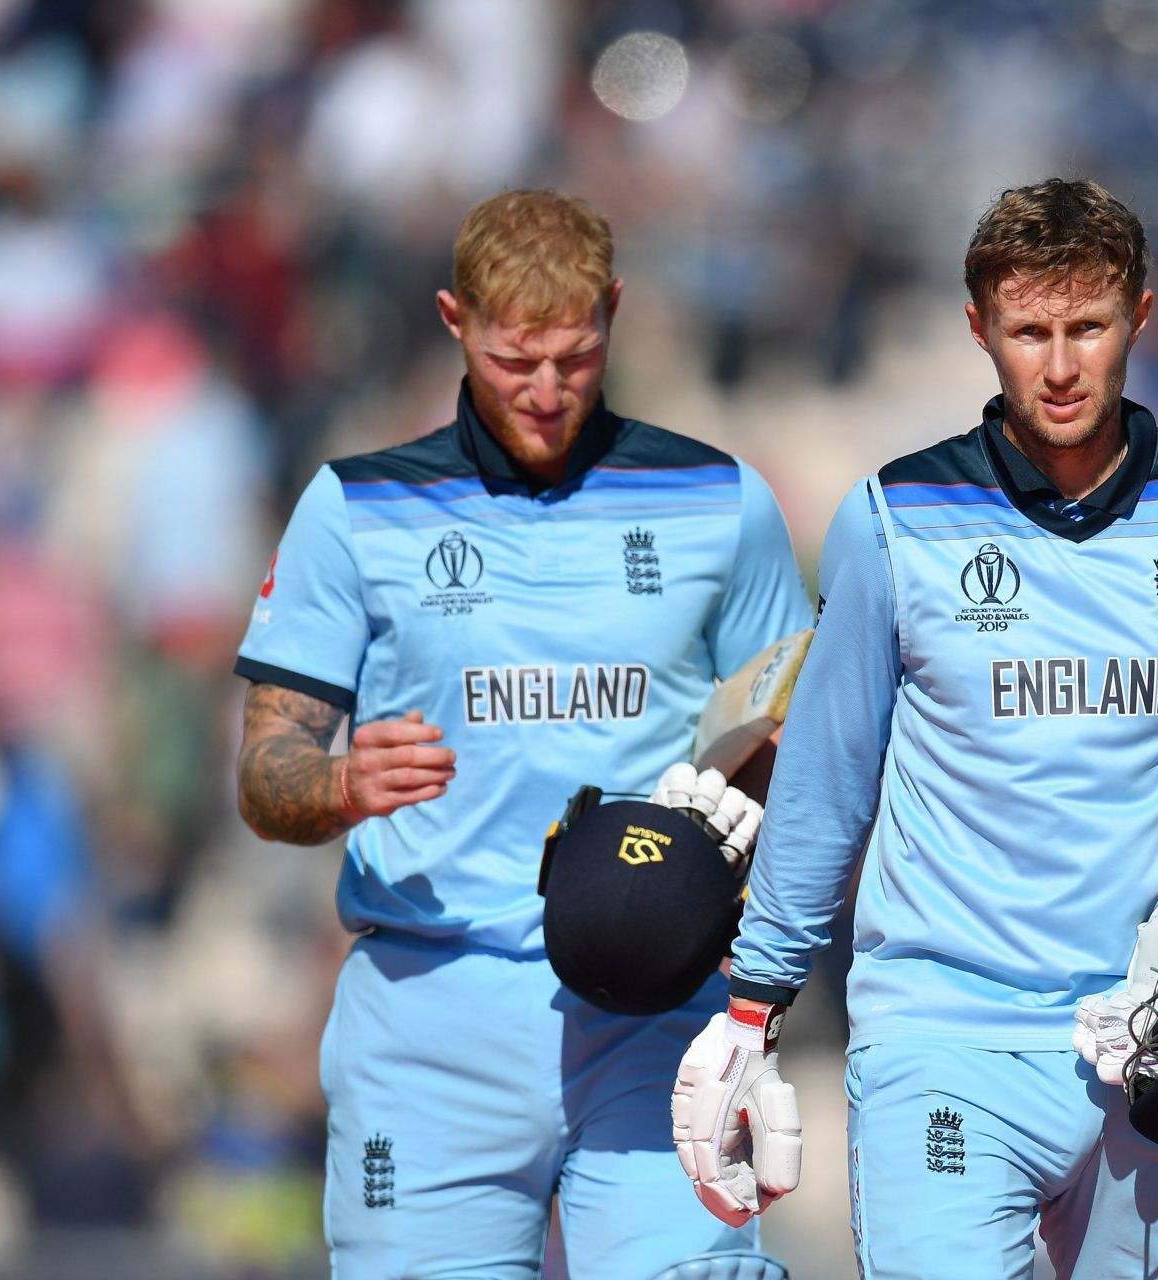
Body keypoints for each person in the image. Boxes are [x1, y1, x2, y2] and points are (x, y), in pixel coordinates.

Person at [671, 178, 1158, 1278]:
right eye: (1030, 331)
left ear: (1143, 313)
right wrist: (753, 1003)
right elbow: (827, 779)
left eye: (1089, 326)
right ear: (980, 327)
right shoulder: (894, 518)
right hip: (948, 1031)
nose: (1062, 365)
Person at [232, 190, 810, 1280]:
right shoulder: (354, 509)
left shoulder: (719, 501)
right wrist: (345, 782)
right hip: (430, 1014)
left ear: (615, 312)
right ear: (455, 319)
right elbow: (267, 775)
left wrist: (748, 827)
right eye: (514, 360)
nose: (546, 391)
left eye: (575, 356)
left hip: (656, 1010)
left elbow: (793, 738)